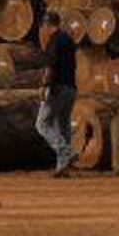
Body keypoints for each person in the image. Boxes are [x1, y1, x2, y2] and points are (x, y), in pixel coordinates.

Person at [35, 9, 78, 176]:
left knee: (42, 124)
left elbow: (51, 65)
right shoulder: (68, 39)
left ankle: (66, 151)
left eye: (43, 26)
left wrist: (44, 85)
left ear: (47, 25)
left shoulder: (54, 40)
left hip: (57, 88)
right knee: (63, 124)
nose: (43, 30)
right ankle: (63, 167)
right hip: (71, 88)